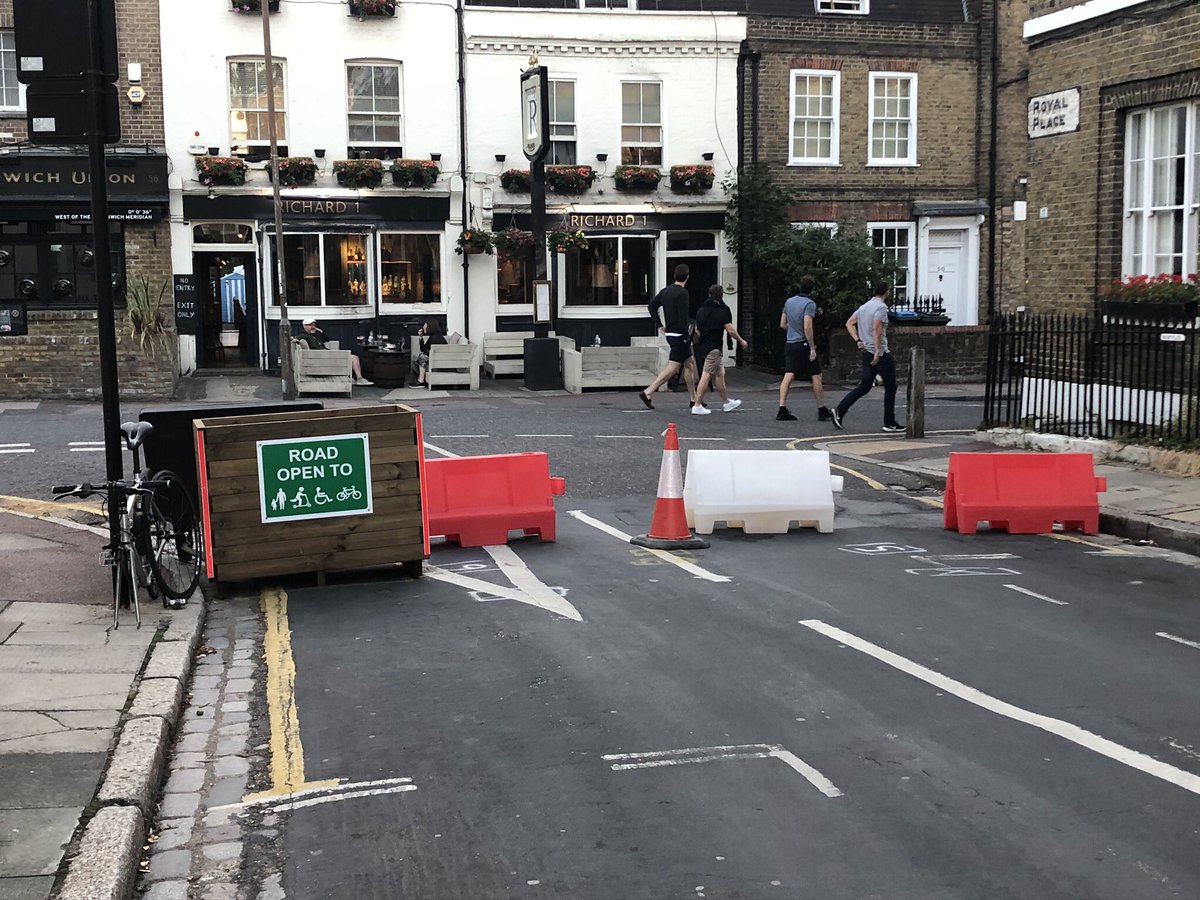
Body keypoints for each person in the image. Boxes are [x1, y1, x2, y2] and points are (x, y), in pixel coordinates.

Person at [831, 281, 904, 432]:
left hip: (866, 352)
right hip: (880, 354)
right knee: (891, 386)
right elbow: (876, 329)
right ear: (886, 292)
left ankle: (840, 410)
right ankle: (889, 422)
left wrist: (858, 340)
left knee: (864, 386)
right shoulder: (881, 307)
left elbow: (849, 323)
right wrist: (878, 351)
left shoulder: (864, 307)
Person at [638, 263, 698, 410]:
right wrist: (688, 332)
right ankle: (648, 392)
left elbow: (652, 306)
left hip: (670, 333)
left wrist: (659, 324)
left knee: (690, 364)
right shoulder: (683, 293)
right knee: (672, 367)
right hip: (680, 334)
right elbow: (683, 315)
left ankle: (694, 399)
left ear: (674, 276)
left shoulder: (665, 291)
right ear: (687, 277)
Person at [776, 275, 832, 422]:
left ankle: (782, 408)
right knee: (816, 375)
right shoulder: (809, 304)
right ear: (812, 289)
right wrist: (812, 346)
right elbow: (808, 325)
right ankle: (821, 409)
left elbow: (782, 323)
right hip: (803, 344)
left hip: (790, 343)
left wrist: (792, 331)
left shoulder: (789, 302)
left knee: (789, 374)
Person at [691, 284, 748, 415]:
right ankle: (697, 404)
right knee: (706, 375)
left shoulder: (701, 310)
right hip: (714, 347)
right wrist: (741, 340)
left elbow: (697, 330)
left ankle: (727, 402)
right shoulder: (722, 311)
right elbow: (730, 329)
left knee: (720, 373)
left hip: (703, 346)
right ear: (721, 295)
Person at [294, 318, 373, 385]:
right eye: (310, 325)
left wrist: (320, 331)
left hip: (327, 354)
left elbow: (327, 339)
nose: (313, 327)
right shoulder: (304, 335)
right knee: (354, 358)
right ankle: (359, 379)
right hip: (322, 357)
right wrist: (295, 340)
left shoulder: (316, 334)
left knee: (353, 357)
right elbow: (297, 338)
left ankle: (352, 378)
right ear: (305, 326)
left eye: (314, 325)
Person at [412, 319, 447, 387]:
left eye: (425, 325)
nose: (423, 327)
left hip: (439, 362)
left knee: (422, 357)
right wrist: (421, 337)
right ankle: (421, 380)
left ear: (430, 326)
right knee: (421, 356)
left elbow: (425, 351)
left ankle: (421, 381)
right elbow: (424, 349)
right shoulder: (436, 336)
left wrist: (421, 356)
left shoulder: (435, 338)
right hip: (440, 360)